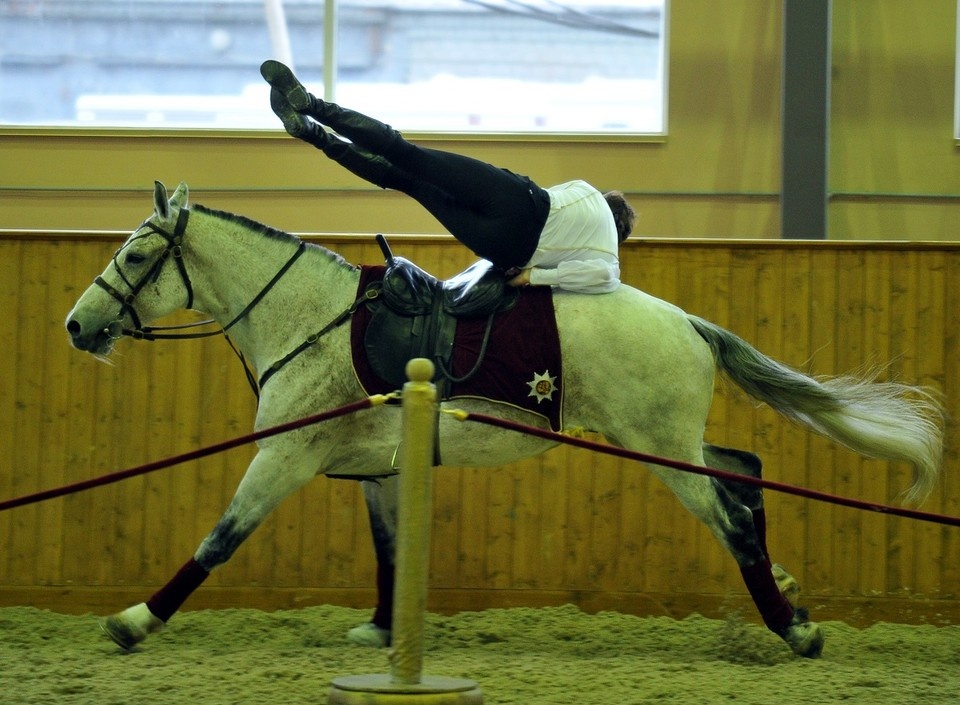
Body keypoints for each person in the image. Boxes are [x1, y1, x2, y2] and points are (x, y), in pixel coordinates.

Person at [260, 60, 635, 294]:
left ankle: (310, 105)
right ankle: (313, 136)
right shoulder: (606, 255)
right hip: (505, 248)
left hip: (521, 201)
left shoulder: (589, 194)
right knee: (407, 181)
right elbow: (604, 279)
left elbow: (554, 199)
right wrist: (532, 278)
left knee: (406, 154)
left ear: (609, 202)